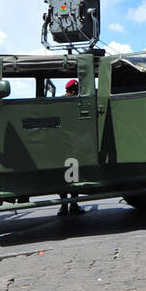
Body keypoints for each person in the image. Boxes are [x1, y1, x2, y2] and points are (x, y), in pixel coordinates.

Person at [58, 79, 83, 217]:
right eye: (75, 90)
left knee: (68, 177)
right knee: (69, 177)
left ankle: (68, 205)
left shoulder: (62, 101)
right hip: (67, 145)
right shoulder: (68, 102)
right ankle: (68, 205)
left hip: (67, 145)